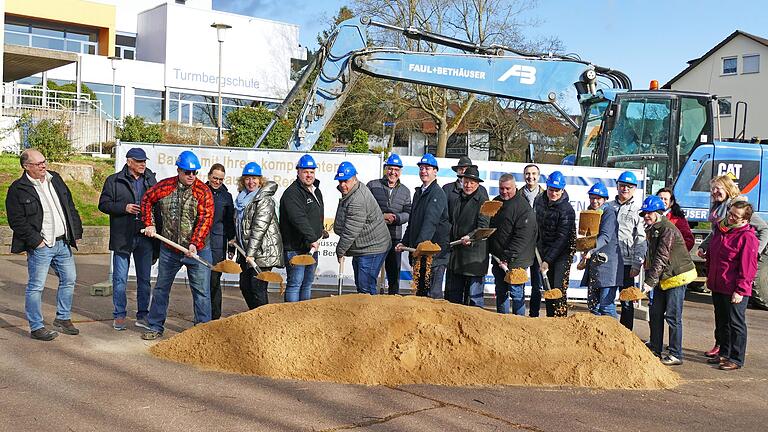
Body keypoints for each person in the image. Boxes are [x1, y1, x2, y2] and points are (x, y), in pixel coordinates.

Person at [6, 149, 83, 341]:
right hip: (42, 246)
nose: (43, 166)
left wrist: (76, 232)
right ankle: (36, 327)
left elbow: (69, 206)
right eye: (38, 163)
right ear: (26, 166)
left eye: (44, 161)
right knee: (36, 287)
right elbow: (16, 221)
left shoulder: (54, 179)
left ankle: (62, 318)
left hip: (62, 243)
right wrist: (36, 241)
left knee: (70, 279)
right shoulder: (18, 188)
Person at [139, 150, 214, 340]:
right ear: (179, 170)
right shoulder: (165, 187)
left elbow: (206, 220)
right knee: (162, 288)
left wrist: (195, 244)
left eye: (194, 172)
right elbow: (147, 200)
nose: (191, 176)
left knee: (202, 292)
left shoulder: (202, 192)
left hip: (198, 250)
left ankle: (202, 330)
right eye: (187, 172)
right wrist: (149, 223)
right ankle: (155, 325)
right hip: (169, 249)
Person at [697, 174, 768, 356]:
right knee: (720, 315)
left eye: (718, 188)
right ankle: (720, 346)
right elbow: (716, 232)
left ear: (728, 188)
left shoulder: (739, 209)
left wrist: (754, 252)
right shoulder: (719, 208)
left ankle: (732, 354)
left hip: (734, 271)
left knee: (733, 319)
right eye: (712, 188)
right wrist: (706, 247)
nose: (714, 192)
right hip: (719, 271)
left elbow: (764, 229)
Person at [98, 147, 158, 331]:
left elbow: (157, 204)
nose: (143, 164)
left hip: (145, 237)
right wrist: (124, 208)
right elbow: (103, 204)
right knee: (120, 279)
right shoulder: (113, 180)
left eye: (144, 161)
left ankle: (142, 315)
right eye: (139, 161)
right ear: (129, 162)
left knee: (144, 279)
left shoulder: (150, 179)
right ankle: (120, 315)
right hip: (122, 236)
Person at [640, 195, 697, 366]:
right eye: (644, 213)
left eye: (649, 213)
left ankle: (675, 353)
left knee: (672, 316)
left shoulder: (667, 229)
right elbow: (652, 256)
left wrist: (649, 282)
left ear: (658, 212)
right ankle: (655, 346)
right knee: (655, 313)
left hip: (676, 276)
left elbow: (661, 257)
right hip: (662, 277)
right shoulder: (652, 228)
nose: (646, 216)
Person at [706, 200, 758, 370]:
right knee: (722, 321)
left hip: (734, 288)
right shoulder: (721, 231)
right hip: (718, 284)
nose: (730, 217)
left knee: (735, 323)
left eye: (735, 216)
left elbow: (748, 267)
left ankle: (736, 358)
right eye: (730, 213)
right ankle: (724, 353)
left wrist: (741, 290)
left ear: (745, 220)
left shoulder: (747, 237)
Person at [397, 154, 451, 299]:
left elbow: (430, 223)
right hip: (420, 253)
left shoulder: (437, 194)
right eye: (421, 168)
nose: (423, 171)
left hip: (435, 254)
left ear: (435, 171)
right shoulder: (419, 193)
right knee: (420, 294)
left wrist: (419, 247)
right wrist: (405, 242)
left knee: (433, 295)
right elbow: (413, 221)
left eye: (427, 168)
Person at [334, 162, 391, 294]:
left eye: (346, 181)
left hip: (372, 248)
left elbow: (350, 231)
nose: (342, 185)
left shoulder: (357, 199)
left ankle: (372, 313)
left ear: (354, 179)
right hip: (364, 246)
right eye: (340, 181)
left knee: (365, 286)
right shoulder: (354, 190)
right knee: (361, 284)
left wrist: (340, 251)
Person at [234, 162, 283, 309]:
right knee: (245, 286)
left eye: (254, 178)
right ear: (243, 180)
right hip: (247, 252)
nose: (251, 182)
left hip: (263, 252)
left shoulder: (264, 199)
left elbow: (259, 228)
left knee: (257, 288)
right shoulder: (241, 199)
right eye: (248, 178)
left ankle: (264, 321)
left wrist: (251, 254)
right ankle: (255, 317)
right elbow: (240, 225)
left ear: (260, 180)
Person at [489, 173, 537, 315]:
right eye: (501, 188)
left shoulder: (523, 207)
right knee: (501, 292)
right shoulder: (495, 203)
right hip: (498, 258)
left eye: (508, 188)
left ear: (515, 187)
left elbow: (523, 237)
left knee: (516, 294)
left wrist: (507, 256)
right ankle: (502, 321)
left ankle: (518, 323)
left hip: (517, 260)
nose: (504, 192)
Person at [280, 154, 325, 302]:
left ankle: (304, 316)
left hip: (311, 248)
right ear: (298, 172)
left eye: (312, 172)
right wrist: (312, 238)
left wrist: (319, 231)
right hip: (295, 248)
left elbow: (314, 215)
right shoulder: (292, 193)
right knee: (295, 283)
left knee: (307, 284)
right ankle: (291, 318)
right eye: (305, 171)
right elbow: (298, 218)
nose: (309, 175)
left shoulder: (316, 190)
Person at [446, 166, 490, 307]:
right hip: (457, 257)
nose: (468, 185)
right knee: (454, 298)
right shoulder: (457, 199)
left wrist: (469, 237)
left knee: (474, 300)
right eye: (466, 181)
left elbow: (483, 227)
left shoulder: (484, 202)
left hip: (474, 259)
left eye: (472, 182)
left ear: (477, 184)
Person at [367, 154, 411, 295]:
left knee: (394, 276)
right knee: (371, 274)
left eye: (396, 169)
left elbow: (408, 213)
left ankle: (394, 302)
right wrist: (382, 216)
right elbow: (365, 208)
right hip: (375, 237)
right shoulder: (373, 185)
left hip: (394, 238)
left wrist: (396, 218)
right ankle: (369, 301)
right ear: (386, 169)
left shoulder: (405, 191)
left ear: (400, 171)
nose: (393, 172)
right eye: (390, 169)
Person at [534, 170, 576, 317]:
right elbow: (536, 225)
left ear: (562, 190)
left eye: (557, 190)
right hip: (544, 250)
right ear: (547, 187)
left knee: (558, 289)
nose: (553, 193)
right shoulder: (539, 201)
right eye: (551, 189)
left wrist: (548, 261)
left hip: (562, 253)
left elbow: (562, 238)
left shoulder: (567, 210)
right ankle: (551, 320)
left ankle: (560, 320)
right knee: (547, 288)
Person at [610, 171, 647, 330]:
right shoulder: (608, 206)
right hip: (609, 262)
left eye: (629, 186)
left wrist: (636, 264)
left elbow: (641, 239)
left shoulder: (639, 211)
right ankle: (609, 333)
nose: (625, 189)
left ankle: (626, 334)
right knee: (607, 299)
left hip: (627, 263)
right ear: (617, 186)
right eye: (622, 185)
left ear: (634, 189)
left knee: (626, 301)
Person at [580, 182, 623, 317]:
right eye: (592, 197)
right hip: (594, 264)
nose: (595, 201)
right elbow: (587, 236)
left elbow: (605, 237)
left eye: (598, 198)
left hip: (608, 265)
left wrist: (590, 251)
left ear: (604, 199)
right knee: (593, 306)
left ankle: (617, 336)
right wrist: (583, 251)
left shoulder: (609, 212)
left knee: (606, 306)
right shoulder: (590, 212)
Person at [206, 163, 235, 319]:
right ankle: (202, 316)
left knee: (214, 280)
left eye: (220, 179)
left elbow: (229, 222)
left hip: (218, 243)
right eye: (215, 178)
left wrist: (231, 248)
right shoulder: (200, 191)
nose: (217, 182)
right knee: (202, 280)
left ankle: (214, 317)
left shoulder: (226, 196)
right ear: (209, 176)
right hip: (200, 242)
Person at [520, 164, 546, 317]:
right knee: (519, 280)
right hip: (523, 245)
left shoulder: (545, 195)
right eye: (528, 174)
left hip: (539, 246)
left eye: (534, 173)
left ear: (539, 175)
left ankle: (534, 314)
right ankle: (520, 312)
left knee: (537, 284)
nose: (531, 177)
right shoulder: (518, 194)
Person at [443, 155, 488, 220]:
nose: (464, 172)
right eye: (461, 169)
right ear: (457, 171)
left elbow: (486, 217)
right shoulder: (447, 189)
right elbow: (443, 214)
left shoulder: (482, 190)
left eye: (466, 169)